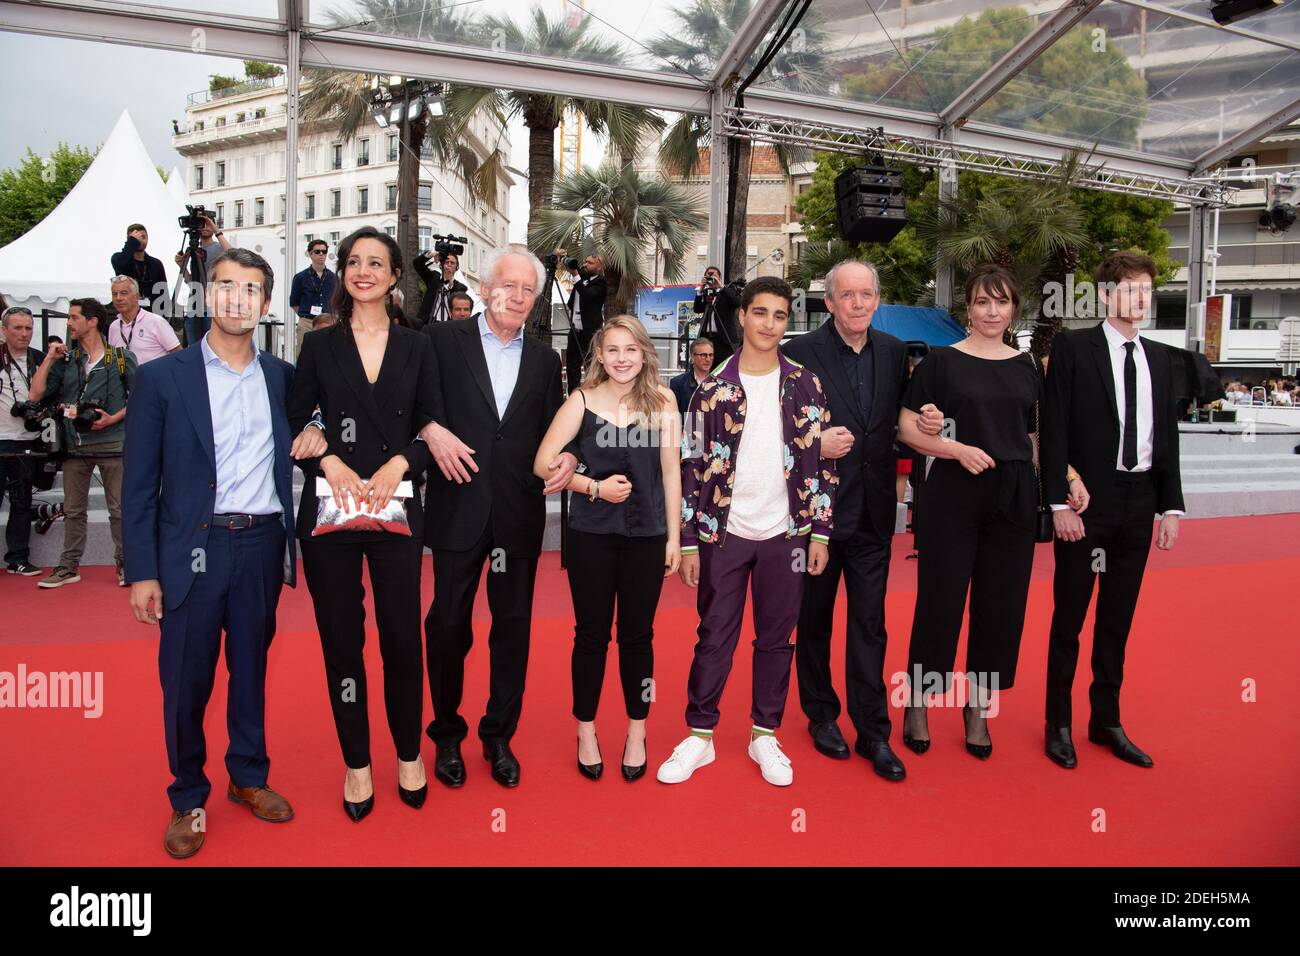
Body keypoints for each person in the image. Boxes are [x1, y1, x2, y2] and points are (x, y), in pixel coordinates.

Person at [122, 247, 327, 859]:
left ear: (267, 304)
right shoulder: (163, 378)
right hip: (194, 546)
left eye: (251, 290)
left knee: (251, 668)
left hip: (262, 542)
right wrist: (143, 572)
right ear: (208, 296)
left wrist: (317, 425)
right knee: (185, 679)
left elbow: (324, 420)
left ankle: (248, 776)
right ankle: (187, 795)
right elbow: (138, 484)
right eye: (226, 287)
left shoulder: (284, 379)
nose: (238, 299)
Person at [657, 276, 835, 789]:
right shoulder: (710, 392)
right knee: (714, 635)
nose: (769, 324)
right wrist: (689, 541)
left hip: (788, 535)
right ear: (742, 316)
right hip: (723, 534)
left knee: (777, 639)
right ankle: (700, 735)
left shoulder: (807, 384)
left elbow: (823, 466)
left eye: (780, 316)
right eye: (761, 313)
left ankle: (764, 734)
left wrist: (819, 532)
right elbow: (691, 469)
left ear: (788, 321)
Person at [288, 227, 439, 821]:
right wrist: (328, 460)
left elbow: (433, 424)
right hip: (332, 510)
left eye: (377, 263)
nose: (364, 271)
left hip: (396, 506)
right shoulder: (319, 346)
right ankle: (356, 761)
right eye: (354, 262)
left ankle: (407, 752)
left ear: (396, 275)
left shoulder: (417, 347)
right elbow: (298, 416)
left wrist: (402, 460)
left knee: (403, 638)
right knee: (341, 642)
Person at [418, 244, 579, 789]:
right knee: (447, 625)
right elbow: (414, 401)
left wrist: (573, 456)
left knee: (511, 630)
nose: (516, 296)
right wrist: (428, 428)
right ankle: (445, 733)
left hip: (517, 513)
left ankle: (497, 735)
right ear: (485, 289)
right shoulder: (441, 341)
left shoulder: (543, 359)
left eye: (527, 289)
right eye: (507, 285)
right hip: (458, 505)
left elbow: (553, 429)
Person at [782, 260, 945, 781]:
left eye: (867, 294)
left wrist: (928, 421)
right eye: (847, 295)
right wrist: (811, 442)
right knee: (814, 621)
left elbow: (899, 419)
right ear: (827, 302)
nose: (858, 303)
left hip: (875, 513)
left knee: (870, 624)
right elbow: (768, 426)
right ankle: (821, 714)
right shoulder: (798, 354)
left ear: (877, 300)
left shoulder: (897, 353)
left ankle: (873, 730)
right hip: (817, 516)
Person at [1042, 250, 1184, 770]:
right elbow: (1053, 427)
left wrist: (1170, 506)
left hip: (1140, 501)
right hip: (1085, 503)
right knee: (1070, 620)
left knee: (1117, 620)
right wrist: (1058, 501)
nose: (1140, 298)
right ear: (1105, 296)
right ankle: (1057, 723)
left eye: (1146, 289)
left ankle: (1106, 721)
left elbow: (1165, 437)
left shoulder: (1162, 359)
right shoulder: (1076, 349)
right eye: (1128, 289)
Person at [896, 264, 1042, 761]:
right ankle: (918, 701)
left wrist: (1058, 484)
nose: (992, 311)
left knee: (1001, 607)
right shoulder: (940, 362)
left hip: (1014, 494)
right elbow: (908, 430)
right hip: (954, 490)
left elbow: (1035, 439)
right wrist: (957, 450)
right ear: (969, 308)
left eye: (1001, 302)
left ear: (1014, 309)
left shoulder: (1028, 367)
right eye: (983, 301)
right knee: (941, 600)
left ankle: (978, 707)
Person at [534, 315, 681, 782]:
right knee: (591, 636)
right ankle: (586, 729)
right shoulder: (581, 400)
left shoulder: (663, 400)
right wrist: (591, 487)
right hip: (592, 536)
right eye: (613, 350)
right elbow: (541, 463)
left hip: (647, 536)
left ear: (644, 353)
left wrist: (675, 537)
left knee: (639, 637)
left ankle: (637, 731)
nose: (622, 359)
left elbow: (672, 472)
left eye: (630, 350)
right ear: (599, 354)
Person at [29, 298, 136, 588]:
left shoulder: (122, 358)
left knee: (119, 510)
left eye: (74, 317)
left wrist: (112, 418)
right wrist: (49, 358)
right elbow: (36, 394)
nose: (69, 323)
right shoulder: (68, 360)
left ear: (92, 321)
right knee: (73, 510)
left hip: (113, 444)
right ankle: (68, 566)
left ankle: (126, 564)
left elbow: (140, 399)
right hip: (74, 446)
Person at [0, 306, 44, 576]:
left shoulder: (39, 358)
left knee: (22, 502)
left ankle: (17, 558)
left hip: (28, 440)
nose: (24, 333)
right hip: (0, 439)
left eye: (28, 328)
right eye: (18, 328)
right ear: (4, 330)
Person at [175, 214, 232, 342]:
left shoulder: (218, 248)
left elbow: (233, 253)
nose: (205, 227)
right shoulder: (193, 250)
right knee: (193, 349)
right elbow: (192, 282)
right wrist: (181, 266)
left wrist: (217, 230)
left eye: (208, 224)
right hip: (193, 307)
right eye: (202, 224)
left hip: (212, 309)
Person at [107, 276, 181, 365]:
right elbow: (110, 360)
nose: (118, 298)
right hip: (125, 377)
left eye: (124, 293)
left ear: (137, 296)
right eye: (114, 294)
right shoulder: (114, 327)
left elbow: (179, 355)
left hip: (154, 377)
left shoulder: (155, 322)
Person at [565, 254, 608, 394]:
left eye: (590, 263)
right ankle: (572, 395)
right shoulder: (583, 278)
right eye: (585, 261)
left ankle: (592, 396)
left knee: (590, 365)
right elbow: (574, 266)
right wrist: (563, 257)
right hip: (575, 330)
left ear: (599, 266)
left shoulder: (601, 282)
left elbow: (587, 295)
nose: (586, 264)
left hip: (590, 332)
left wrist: (576, 276)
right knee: (572, 366)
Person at [289, 240, 338, 354]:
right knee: (303, 354)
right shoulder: (300, 277)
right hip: (307, 321)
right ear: (310, 254)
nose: (321, 254)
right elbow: (294, 302)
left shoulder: (333, 278)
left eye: (324, 252)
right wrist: (306, 316)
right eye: (317, 251)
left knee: (328, 355)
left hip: (327, 322)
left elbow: (337, 300)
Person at [110, 223, 169, 315]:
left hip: (151, 314)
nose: (140, 240)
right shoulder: (119, 258)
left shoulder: (156, 264)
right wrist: (132, 242)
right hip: (128, 312)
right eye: (136, 238)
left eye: (143, 237)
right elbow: (120, 264)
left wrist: (164, 317)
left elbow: (163, 293)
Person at [413, 248, 467, 328]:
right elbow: (417, 264)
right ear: (442, 264)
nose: (449, 265)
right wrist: (432, 253)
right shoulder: (433, 277)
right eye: (447, 262)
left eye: (452, 263)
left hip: (448, 326)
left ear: (456, 267)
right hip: (428, 323)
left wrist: (450, 282)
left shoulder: (460, 288)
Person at [669, 335, 714, 416]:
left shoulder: (720, 382)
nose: (708, 359)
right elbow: (674, 416)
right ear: (692, 357)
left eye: (711, 355)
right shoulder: (678, 383)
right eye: (703, 355)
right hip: (689, 426)